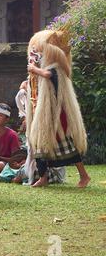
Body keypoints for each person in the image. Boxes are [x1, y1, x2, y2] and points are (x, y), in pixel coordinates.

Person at [26, 29, 90, 188]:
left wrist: (34, 69)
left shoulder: (56, 69)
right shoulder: (43, 67)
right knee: (39, 145)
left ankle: (84, 176)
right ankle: (43, 177)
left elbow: (48, 75)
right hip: (41, 113)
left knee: (65, 143)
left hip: (56, 116)